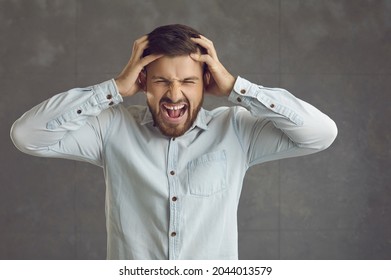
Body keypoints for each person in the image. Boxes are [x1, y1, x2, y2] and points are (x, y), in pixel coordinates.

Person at [10, 24, 337, 260]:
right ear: (143, 82)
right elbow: (27, 136)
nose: (175, 94)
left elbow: (320, 134)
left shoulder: (236, 130)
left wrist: (238, 88)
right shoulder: (112, 128)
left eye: (188, 81)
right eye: (162, 80)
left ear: (206, 83)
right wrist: (112, 89)